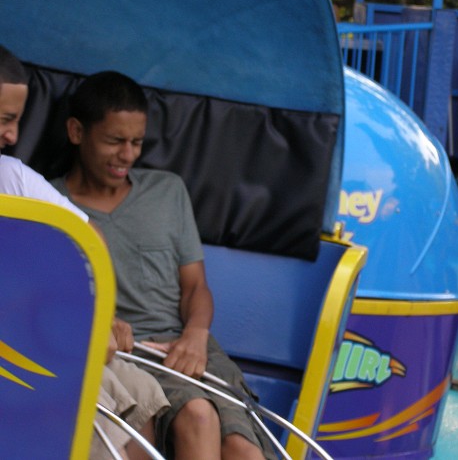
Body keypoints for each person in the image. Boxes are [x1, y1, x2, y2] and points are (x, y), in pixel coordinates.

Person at [52, 71, 274, 460]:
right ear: (76, 131)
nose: (128, 155)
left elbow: (195, 287)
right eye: (114, 141)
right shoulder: (50, 201)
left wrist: (196, 333)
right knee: (199, 417)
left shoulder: (167, 190)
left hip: (188, 344)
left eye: (137, 142)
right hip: (127, 353)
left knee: (243, 449)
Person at [0, 45, 169, 460]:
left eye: (17, 121)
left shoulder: (10, 175)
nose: (12, 136)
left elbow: (87, 238)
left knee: (140, 392)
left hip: (31, 340)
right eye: (4, 119)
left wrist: (100, 317)